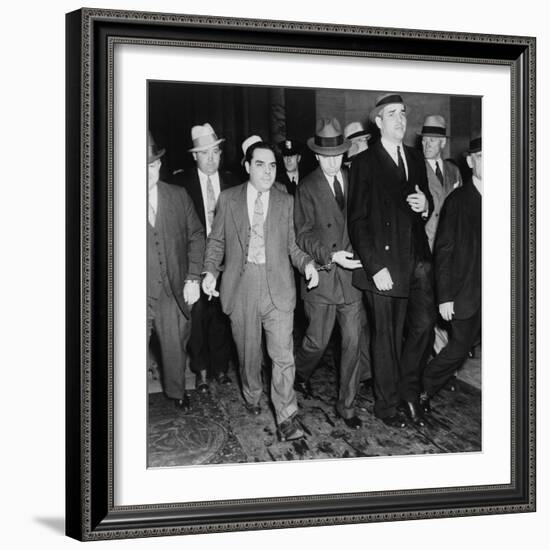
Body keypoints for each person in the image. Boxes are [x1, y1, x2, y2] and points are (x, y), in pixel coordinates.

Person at [202, 141, 319, 442]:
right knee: (248, 354)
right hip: (241, 287)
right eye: (260, 164)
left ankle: (287, 415)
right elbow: (216, 243)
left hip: (277, 286)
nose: (267, 171)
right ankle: (252, 393)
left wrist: (307, 264)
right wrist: (210, 273)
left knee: (282, 355)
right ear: (246, 165)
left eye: (272, 166)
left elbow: (292, 245)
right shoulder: (228, 200)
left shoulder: (285, 202)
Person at [348, 93, 436, 428]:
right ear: (379, 122)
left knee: (424, 326)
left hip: (416, 259)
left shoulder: (414, 158)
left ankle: (408, 391)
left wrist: (424, 204)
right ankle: (387, 406)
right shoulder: (365, 163)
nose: (400, 119)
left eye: (403, 113)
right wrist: (374, 267)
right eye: (392, 114)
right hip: (383, 266)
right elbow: (356, 221)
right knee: (385, 337)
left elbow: (422, 203)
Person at [293, 118, 366, 429]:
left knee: (353, 342)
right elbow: (303, 234)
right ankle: (298, 373)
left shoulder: (355, 180)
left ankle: (347, 405)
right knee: (316, 343)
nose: (334, 161)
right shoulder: (307, 187)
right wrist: (330, 254)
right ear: (318, 156)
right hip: (323, 278)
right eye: (328, 156)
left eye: (339, 154)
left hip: (351, 281)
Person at [171, 123, 239, 393]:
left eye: (215, 152)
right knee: (197, 315)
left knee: (222, 313)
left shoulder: (233, 182)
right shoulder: (180, 185)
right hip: (195, 260)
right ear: (194, 156)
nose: (211, 159)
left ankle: (220, 367)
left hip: (226, 259)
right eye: (204, 153)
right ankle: (199, 370)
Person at [420, 136, 482, 411]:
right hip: (465, 293)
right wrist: (445, 297)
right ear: (470, 162)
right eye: (481, 158)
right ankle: (423, 387)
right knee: (458, 349)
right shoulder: (458, 201)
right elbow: (443, 251)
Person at [147, 132, 205, 411]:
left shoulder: (178, 196)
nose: (148, 173)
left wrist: (194, 277)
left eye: (152, 165)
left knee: (174, 347)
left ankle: (178, 391)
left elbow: (196, 235)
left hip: (171, 290)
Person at [419, 115, 463, 359]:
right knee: (428, 305)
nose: (427, 145)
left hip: (450, 248)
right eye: (425, 140)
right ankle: (437, 356)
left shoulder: (454, 171)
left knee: (446, 302)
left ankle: (445, 354)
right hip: (427, 246)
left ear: (442, 143)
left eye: (432, 140)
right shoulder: (415, 168)